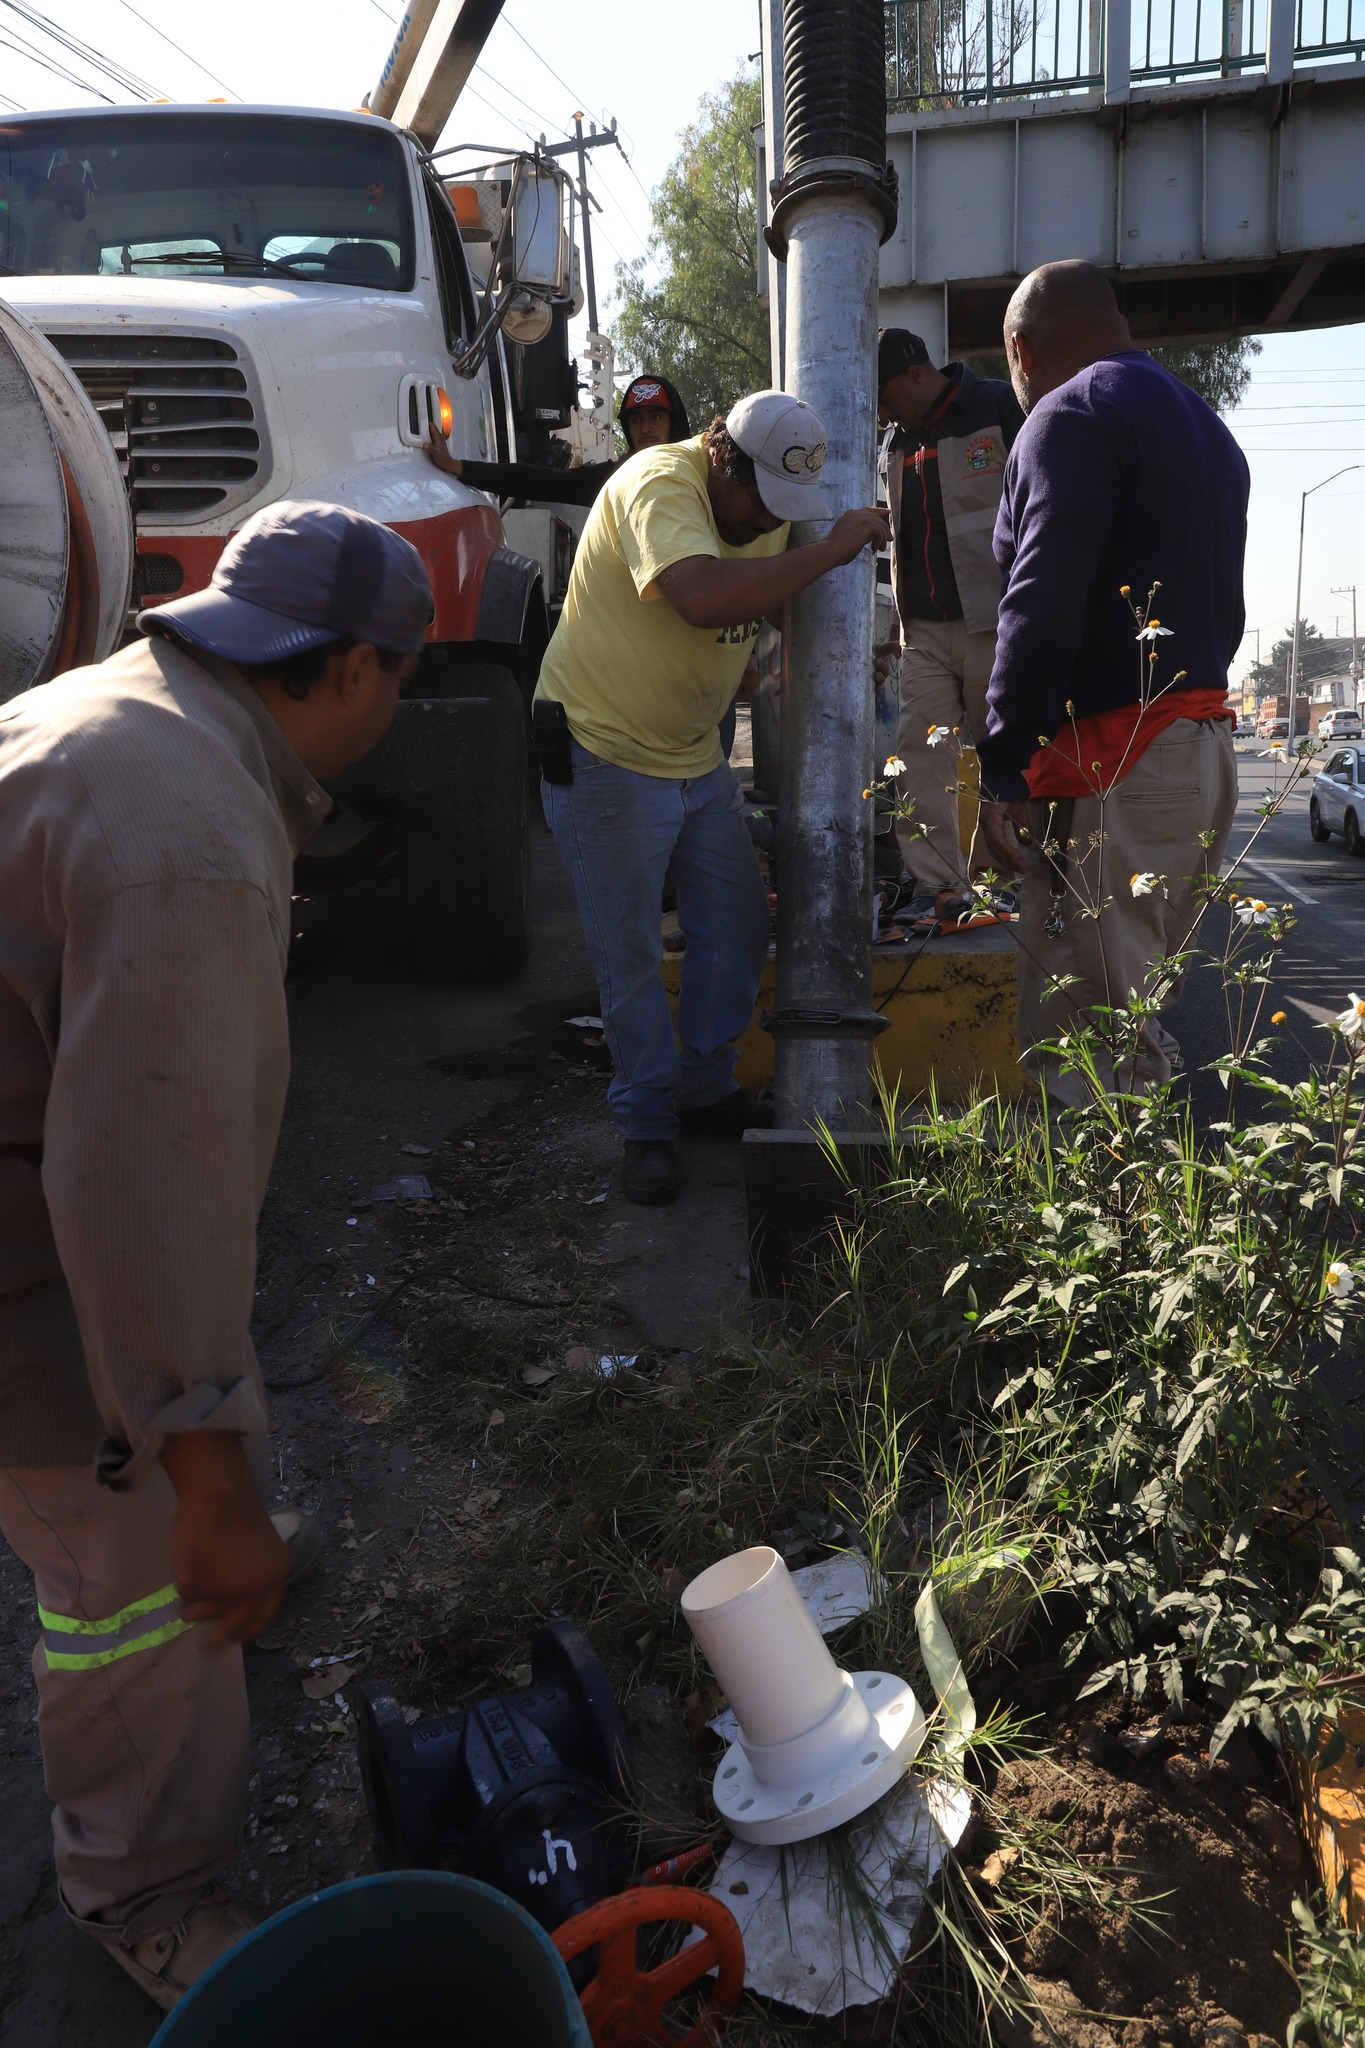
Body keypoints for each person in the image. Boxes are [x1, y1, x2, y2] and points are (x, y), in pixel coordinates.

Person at [0, 501, 433, 2009]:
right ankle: (146, 1889)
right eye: (405, 679)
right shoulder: (184, 838)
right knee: (127, 1584)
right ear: (357, 673)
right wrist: (203, 1481)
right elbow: (141, 1194)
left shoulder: (116, 710)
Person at [533, 390, 890, 1205]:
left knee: (734, 925)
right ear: (720, 456)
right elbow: (699, 595)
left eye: (782, 508)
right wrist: (828, 551)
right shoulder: (658, 481)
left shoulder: (761, 497)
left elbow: (768, 601)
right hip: (605, 753)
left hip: (693, 759)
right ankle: (647, 1122)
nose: (764, 519)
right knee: (627, 956)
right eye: (756, 500)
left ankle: (701, 1087)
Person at [972, 259, 1249, 1104]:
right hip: (1195, 755)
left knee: (1083, 1042)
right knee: (1130, 1021)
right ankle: (1140, 1225)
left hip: (1117, 763)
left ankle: (1101, 1232)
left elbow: (1040, 596)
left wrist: (1003, 760)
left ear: (1019, 348)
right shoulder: (1206, 427)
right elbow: (1223, 615)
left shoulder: (1070, 414)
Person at [876, 329, 1024, 930]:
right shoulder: (894, 442)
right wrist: (895, 629)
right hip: (925, 632)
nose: (882, 412)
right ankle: (937, 887)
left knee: (1004, 754)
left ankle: (1000, 884)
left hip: (994, 620)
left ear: (915, 373)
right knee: (917, 755)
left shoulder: (997, 408)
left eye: (885, 395)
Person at [424, 371, 692, 507]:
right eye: (636, 419)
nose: (645, 427)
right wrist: (456, 466)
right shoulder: (616, 481)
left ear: (674, 422)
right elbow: (536, 481)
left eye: (656, 417)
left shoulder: (699, 477)